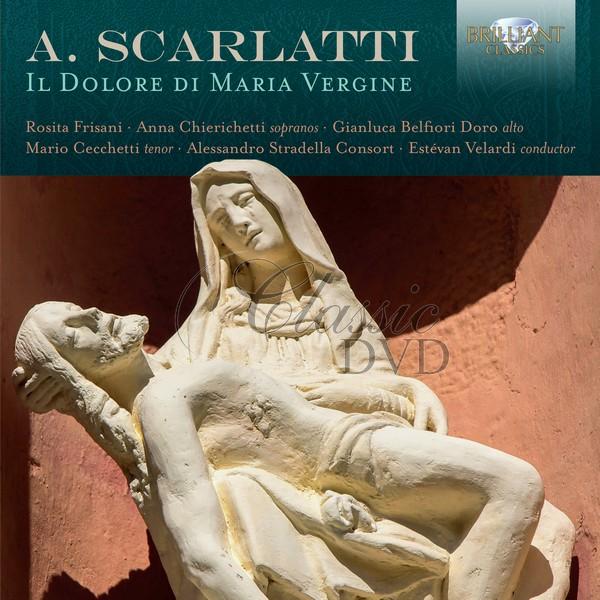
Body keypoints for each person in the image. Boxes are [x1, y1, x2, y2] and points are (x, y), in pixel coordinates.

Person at [13, 161, 575, 600]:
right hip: (271, 479)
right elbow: (144, 406)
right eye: (221, 223)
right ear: (218, 246)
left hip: (352, 454)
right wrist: (72, 395)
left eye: (246, 202)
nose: (239, 223)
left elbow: (386, 397)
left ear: (282, 204)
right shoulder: (208, 328)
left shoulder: (338, 310)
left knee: (543, 528)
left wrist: (376, 393)